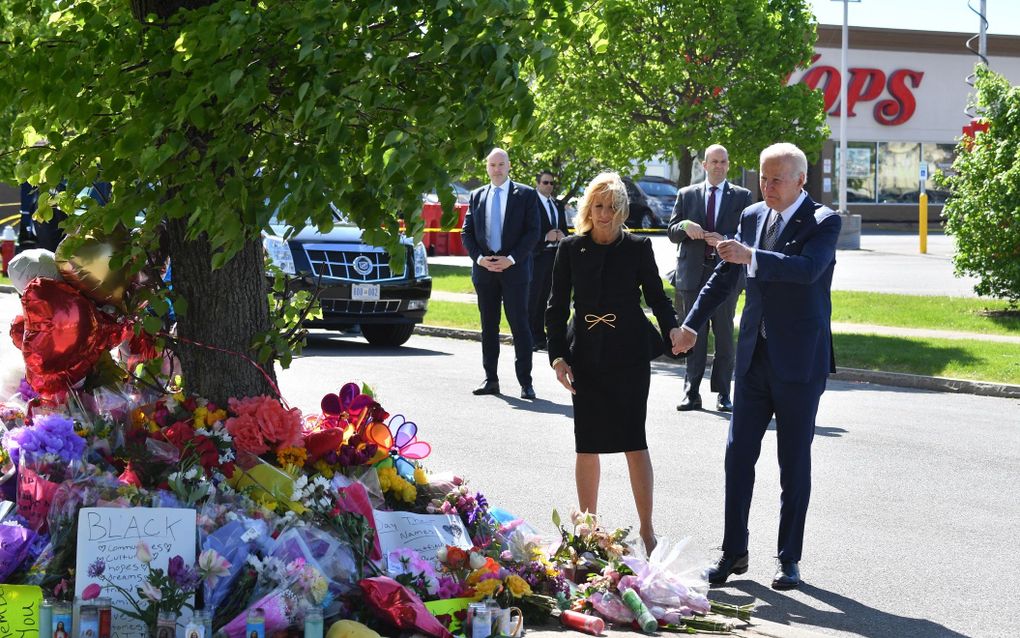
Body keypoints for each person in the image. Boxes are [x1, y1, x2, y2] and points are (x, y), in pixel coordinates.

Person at [676, 143, 840, 590]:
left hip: (799, 363)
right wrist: (690, 324)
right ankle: (734, 552)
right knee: (737, 458)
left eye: (777, 179)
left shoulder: (824, 222)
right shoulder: (751, 216)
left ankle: (789, 559)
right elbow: (722, 275)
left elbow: (807, 270)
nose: (767, 187)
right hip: (752, 361)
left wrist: (753, 257)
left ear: (800, 180)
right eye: (763, 179)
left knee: (793, 462)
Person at [546, 172, 686, 552]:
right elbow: (556, 308)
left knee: (633, 440)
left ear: (623, 210)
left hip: (629, 354)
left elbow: (658, 298)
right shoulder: (571, 249)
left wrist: (673, 329)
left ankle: (647, 531)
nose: (605, 214)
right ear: (589, 208)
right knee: (586, 442)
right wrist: (557, 357)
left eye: (612, 207)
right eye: (599, 206)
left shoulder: (638, 247)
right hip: (585, 355)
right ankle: (588, 532)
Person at [667, 144, 752, 413]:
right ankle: (691, 392)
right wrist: (684, 226)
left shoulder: (742, 196)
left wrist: (726, 240)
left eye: (723, 162)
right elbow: (671, 231)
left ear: (728, 165)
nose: (719, 166)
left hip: (726, 274)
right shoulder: (686, 194)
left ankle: (723, 393)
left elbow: (748, 235)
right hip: (693, 274)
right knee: (693, 333)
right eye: (714, 161)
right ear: (704, 165)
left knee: (725, 336)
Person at [461, 148, 542, 399]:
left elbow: (533, 232)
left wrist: (511, 259)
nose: (496, 169)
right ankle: (491, 379)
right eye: (492, 165)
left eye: (501, 165)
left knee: (520, 326)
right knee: (488, 327)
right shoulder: (476, 195)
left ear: (509, 166)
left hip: (515, 271)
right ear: (487, 167)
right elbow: (467, 232)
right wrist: (480, 259)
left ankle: (525, 382)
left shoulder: (526, 194)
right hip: (485, 272)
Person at [528, 170, 568, 351]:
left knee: (548, 297)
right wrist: (545, 237)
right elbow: (526, 230)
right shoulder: (531, 203)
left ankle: (542, 335)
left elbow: (564, 228)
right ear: (537, 183)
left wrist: (562, 236)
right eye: (545, 183)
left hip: (555, 256)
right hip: (538, 255)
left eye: (551, 183)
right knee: (534, 297)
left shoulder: (557, 204)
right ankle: (530, 335)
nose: (549, 186)